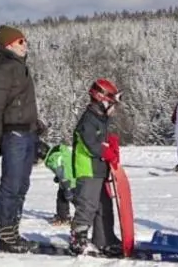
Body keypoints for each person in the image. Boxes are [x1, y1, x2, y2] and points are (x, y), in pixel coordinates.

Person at [0, 24, 44, 254]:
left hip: (27, 134)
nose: (25, 44)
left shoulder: (19, 68)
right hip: (13, 136)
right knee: (11, 184)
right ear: (8, 45)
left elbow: (22, 105)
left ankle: (14, 231)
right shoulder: (1, 71)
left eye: (25, 40)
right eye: (20, 41)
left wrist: (36, 126)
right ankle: (6, 235)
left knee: (22, 185)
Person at [69, 78, 124, 258]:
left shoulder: (101, 119)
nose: (113, 107)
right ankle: (79, 240)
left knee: (104, 205)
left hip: (99, 169)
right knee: (88, 204)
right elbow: (90, 143)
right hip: (88, 169)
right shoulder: (89, 119)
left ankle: (104, 239)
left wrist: (111, 145)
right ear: (101, 99)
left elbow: (101, 140)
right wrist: (105, 151)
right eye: (111, 103)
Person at [43, 142, 75, 226]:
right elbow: (65, 165)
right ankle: (64, 216)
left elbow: (60, 169)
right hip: (71, 177)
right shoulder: (60, 153)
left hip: (68, 181)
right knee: (62, 197)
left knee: (65, 198)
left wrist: (66, 185)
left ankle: (65, 218)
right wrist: (58, 177)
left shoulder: (53, 157)